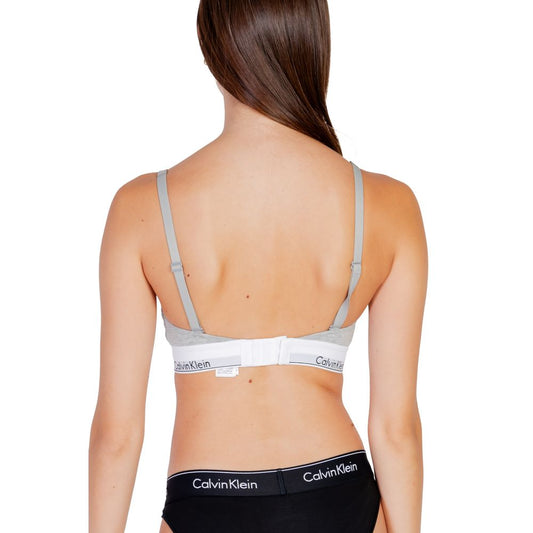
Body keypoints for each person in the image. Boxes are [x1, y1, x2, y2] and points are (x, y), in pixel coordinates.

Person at [88, 1, 427, 532]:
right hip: (338, 491)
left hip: (205, 496)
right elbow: (395, 427)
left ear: (211, 46)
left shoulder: (142, 207)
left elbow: (118, 431)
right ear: (313, 44)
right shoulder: (388, 205)